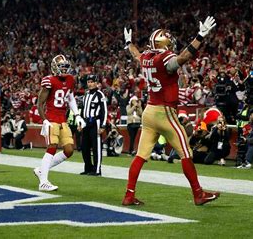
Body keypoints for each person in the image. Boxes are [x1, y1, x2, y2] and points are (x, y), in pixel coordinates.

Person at [122, 16, 220, 206]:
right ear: (163, 42)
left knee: (140, 155)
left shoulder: (146, 58)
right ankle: (198, 194)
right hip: (164, 111)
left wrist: (128, 42)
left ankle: (129, 195)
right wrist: (200, 36)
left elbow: (135, 54)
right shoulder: (163, 58)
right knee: (186, 153)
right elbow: (183, 58)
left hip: (149, 111)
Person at [33, 55, 86, 191]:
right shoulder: (49, 81)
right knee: (52, 147)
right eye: (61, 67)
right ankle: (43, 182)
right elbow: (40, 104)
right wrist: (44, 120)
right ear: (55, 68)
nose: (64, 69)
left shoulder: (70, 80)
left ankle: (41, 170)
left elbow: (70, 98)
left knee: (69, 150)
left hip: (63, 119)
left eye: (65, 67)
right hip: (51, 119)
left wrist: (78, 115)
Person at [81, 74, 107, 175]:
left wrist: (103, 126)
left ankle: (97, 170)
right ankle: (88, 168)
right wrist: (81, 123)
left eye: (92, 82)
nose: (90, 84)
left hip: (95, 123)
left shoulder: (100, 94)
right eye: (89, 82)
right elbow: (83, 110)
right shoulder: (86, 95)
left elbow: (104, 111)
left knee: (96, 147)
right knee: (84, 147)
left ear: (96, 83)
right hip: (86, 123)